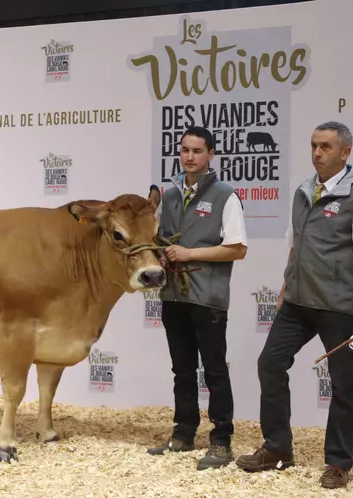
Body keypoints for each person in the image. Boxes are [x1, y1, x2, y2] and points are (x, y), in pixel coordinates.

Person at [235, 121, 353, 489]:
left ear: (345, 152)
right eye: (314, 146)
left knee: (342, 384)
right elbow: (296, 244)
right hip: (297, 303)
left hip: (339, 307)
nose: (317, 153)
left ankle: (338, 462)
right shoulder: (304, 192)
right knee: (269, 363)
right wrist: (287, 281)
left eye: (326, 147)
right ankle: (277, 449)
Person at [147, 126, 248, 471]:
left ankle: (221, 441)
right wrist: (162, 257)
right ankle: (183, 433)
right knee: (182, 370)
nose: (189, 157)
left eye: (197, 151)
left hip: (208, 297)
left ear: (211, 155)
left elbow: (237, 249)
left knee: (215, 371)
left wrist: (189, 254)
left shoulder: (225, 195)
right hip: (173, 295)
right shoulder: (169, 193)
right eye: (185, 150)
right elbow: (160, 240)